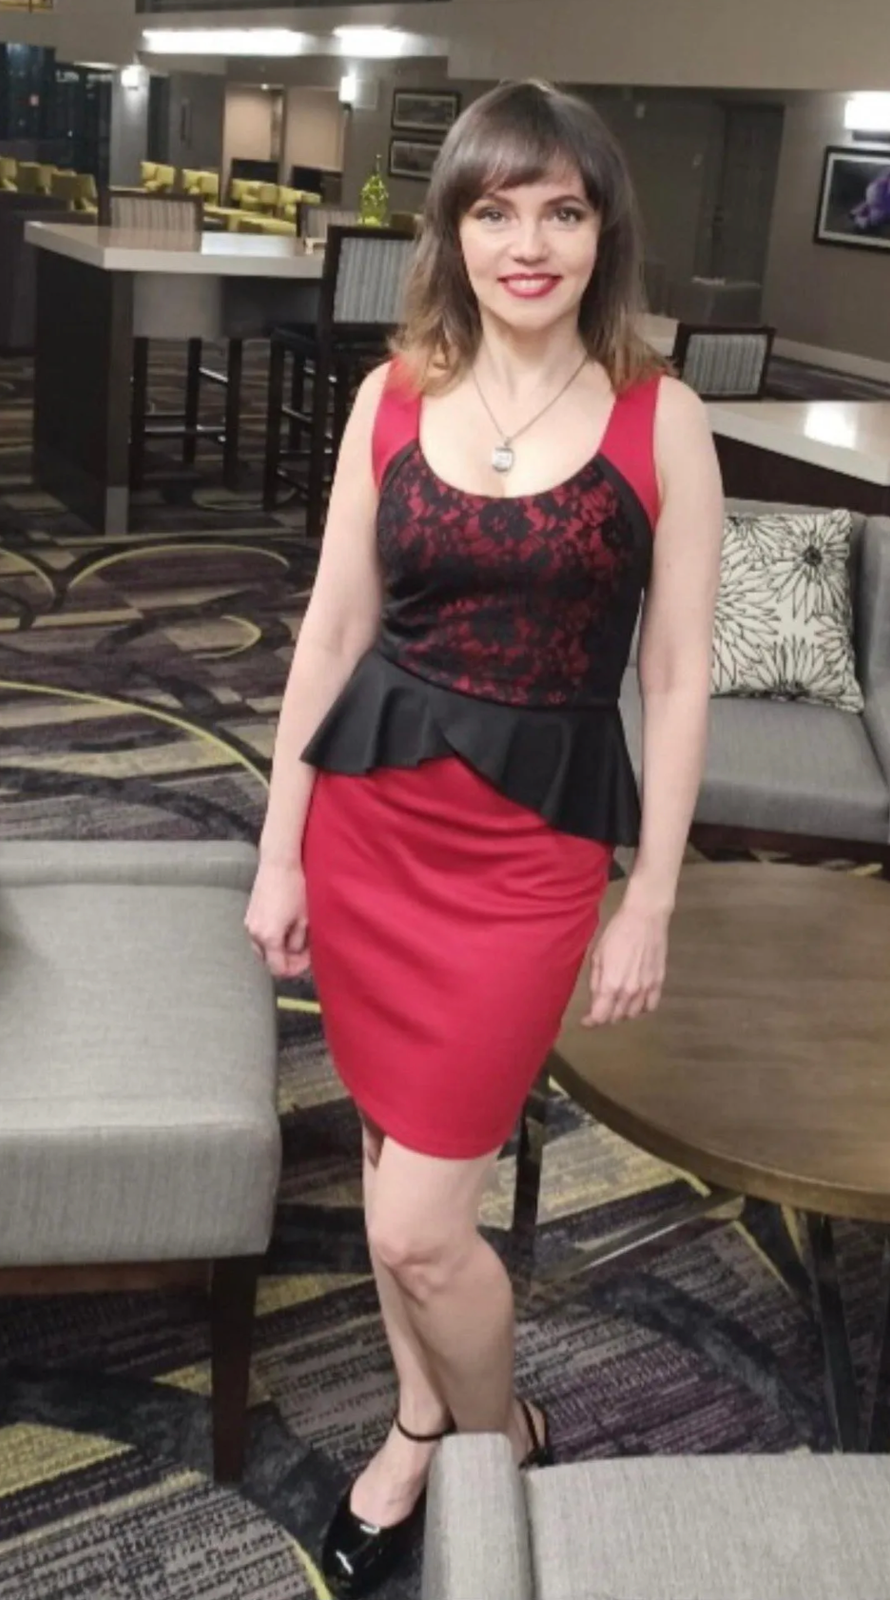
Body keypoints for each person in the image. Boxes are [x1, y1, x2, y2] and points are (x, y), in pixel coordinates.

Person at [246, 78, 724, 1599]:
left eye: (561, 212)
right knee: (391, 1165)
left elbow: (676, 673)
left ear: (603, 231)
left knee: (416, 1224)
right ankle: (422, 1424)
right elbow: (331, 633)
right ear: (453, 231)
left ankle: (494, 1430)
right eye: (496, 211)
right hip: (368, 830)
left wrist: (652, 894)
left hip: (526, 865)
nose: (529, 244)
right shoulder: (394, 394)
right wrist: (278, 849)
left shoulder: (662, 414)